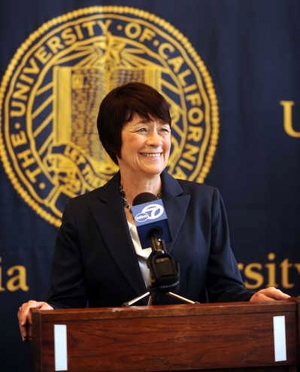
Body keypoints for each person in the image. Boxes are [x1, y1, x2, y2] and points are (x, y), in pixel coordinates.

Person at [18, 82, 290, 341]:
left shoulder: (204, 202)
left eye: (164, 129)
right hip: (115, 351)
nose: (156, 140)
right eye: (142, 129)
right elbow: (68, 302)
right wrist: (45, 312)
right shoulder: (82, 213)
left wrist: (250, 299)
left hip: (193, 349)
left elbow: (225, 288)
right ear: (113, 142)